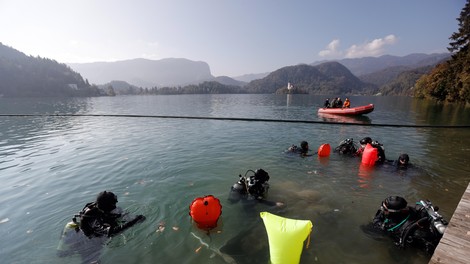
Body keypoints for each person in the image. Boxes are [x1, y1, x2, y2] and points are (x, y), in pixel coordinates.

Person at [57, 191, 146, 261]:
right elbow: (112, 233)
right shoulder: (93, 219)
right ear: (108, 206)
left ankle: (72, 250)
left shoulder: (101, 208)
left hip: (85, 234)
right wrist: (133, 222)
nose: (116, 204)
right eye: (114, 203)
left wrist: (135, 218)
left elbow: (123, 215)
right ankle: (73, 250)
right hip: (88, 242)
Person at [362, 196, 447, 255]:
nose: (382, 210)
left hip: (427, 243)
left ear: (393, 212)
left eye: (384, 209)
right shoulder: (411, 210)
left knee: (365, 229)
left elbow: (376, 224)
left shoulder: (394, 226)